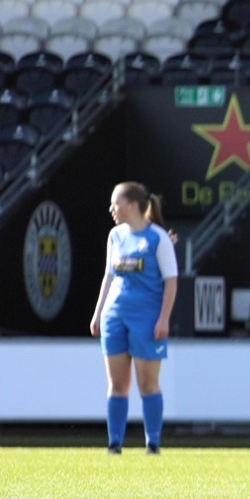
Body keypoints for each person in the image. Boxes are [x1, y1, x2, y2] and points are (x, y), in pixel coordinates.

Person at [89, 182, 178, 455]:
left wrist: (163, 319)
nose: (112, 209)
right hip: (115, 315)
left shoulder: (157, 238)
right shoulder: (115, 236)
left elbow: (171, 282)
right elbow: (109, 276)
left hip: (147, 318)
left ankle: (153, 443)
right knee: (117, 384)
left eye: (116, 203)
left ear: (132, 205)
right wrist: (98, 313)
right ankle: (114, 443)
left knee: (148, 384)